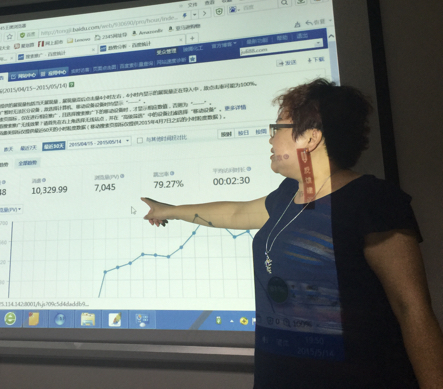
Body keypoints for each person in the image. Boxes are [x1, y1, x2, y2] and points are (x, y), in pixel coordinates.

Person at [142, 79, 443, 388]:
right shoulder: (288, 195)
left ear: (311, 137)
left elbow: (412, 310)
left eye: (278, 128)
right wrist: (169, 210)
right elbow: (236, 213)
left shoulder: (373, 200)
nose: (270, 138)